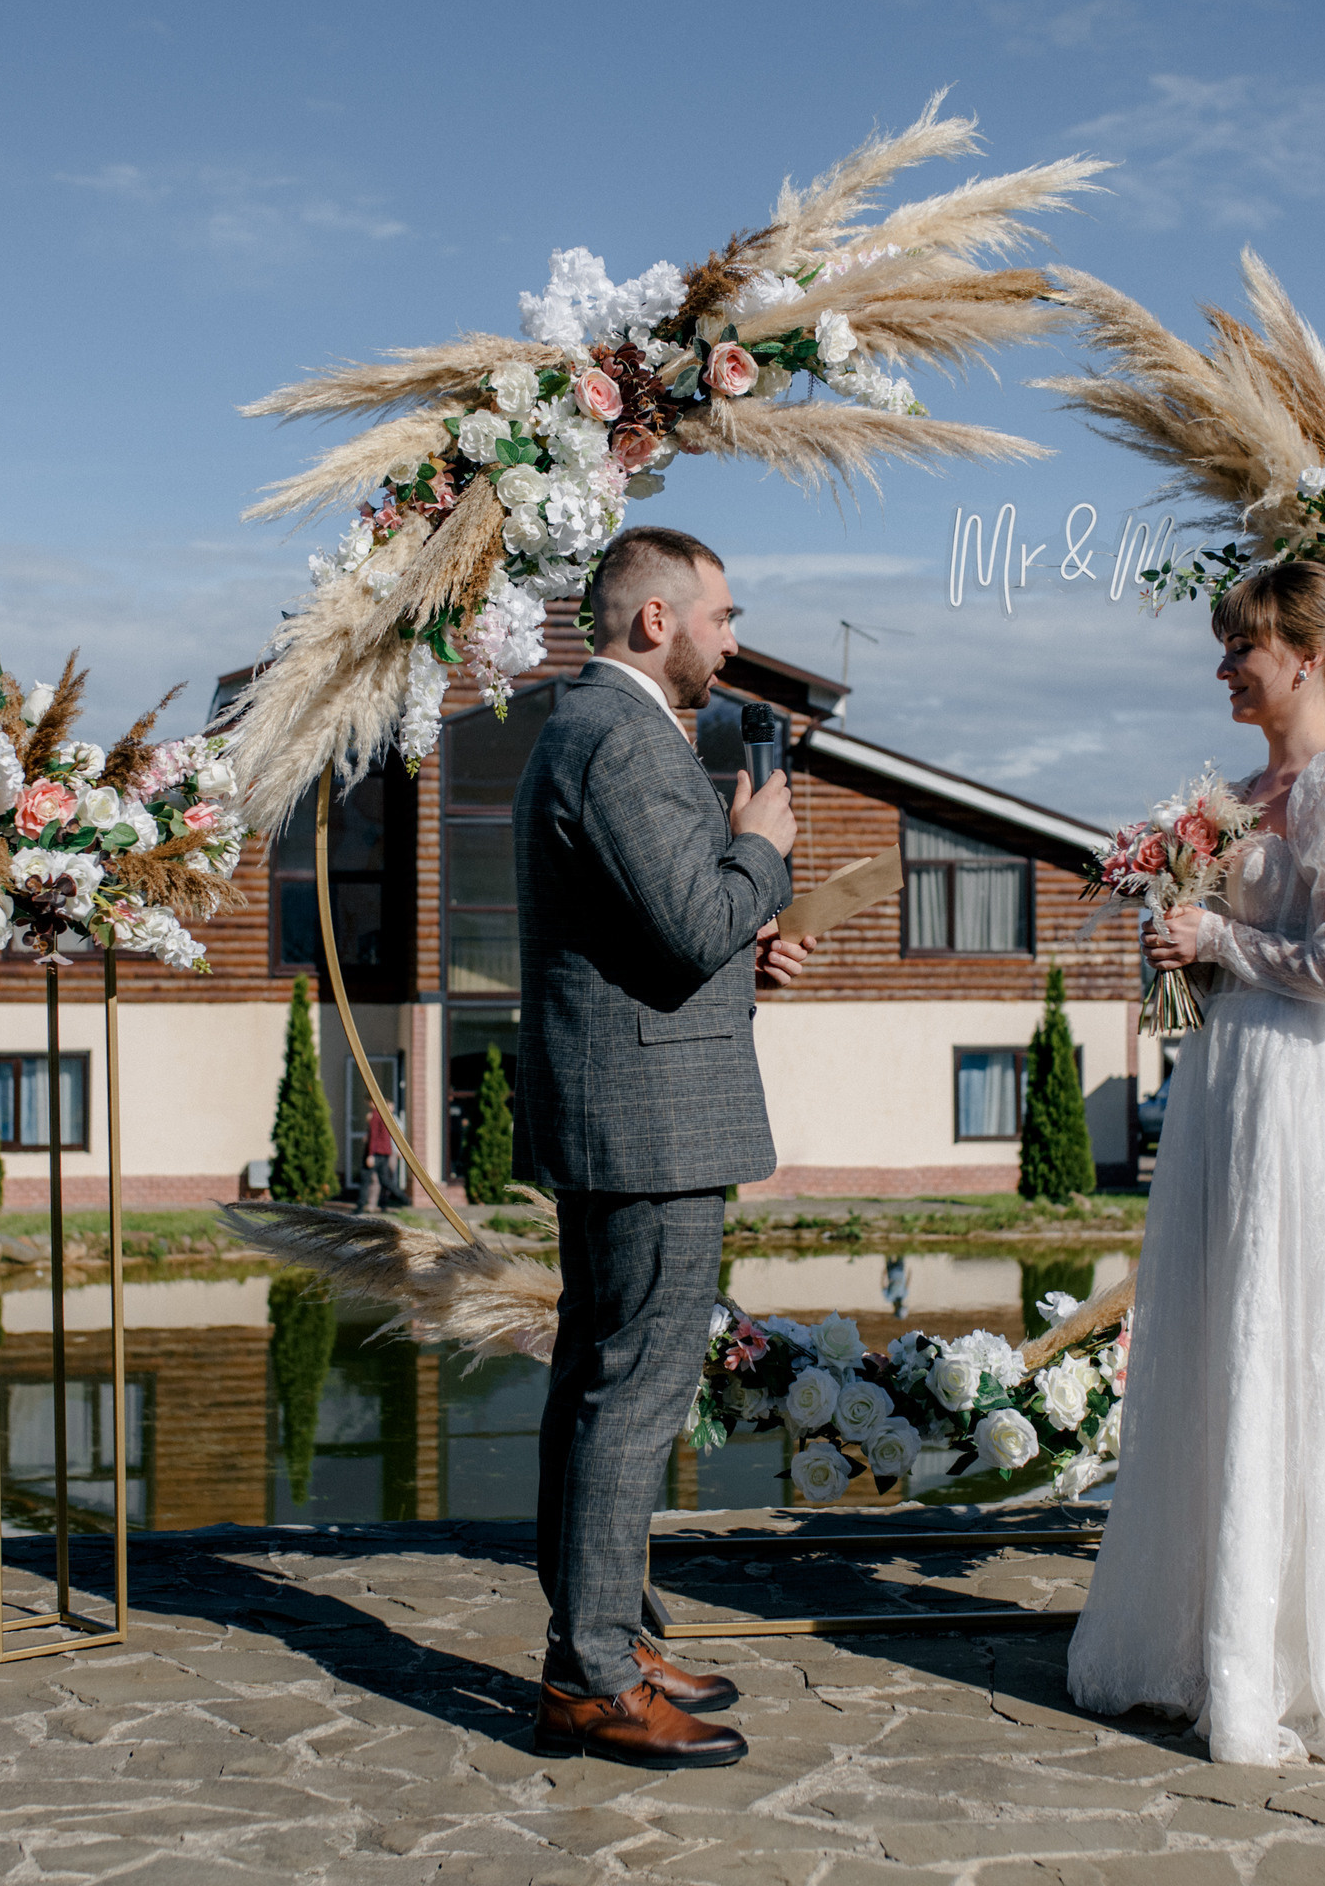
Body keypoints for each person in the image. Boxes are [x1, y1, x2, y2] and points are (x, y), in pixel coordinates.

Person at [1066, 559, 1325, 1770]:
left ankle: (1306, 1651)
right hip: (1230, 1087)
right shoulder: (1250, 791)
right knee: (1218, 1330)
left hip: (1303, 1091)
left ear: (1303, 653)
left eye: (1240, 647)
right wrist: (1190, 954)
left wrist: (1219, 937)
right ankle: (1214, 1632)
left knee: (1294, 1330)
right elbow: (1270, 945)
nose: (1222, 669)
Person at [517, 525, 816, 1771]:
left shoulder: (606, 732)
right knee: (632, 1393)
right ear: (656, 621)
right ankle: (591, 1677)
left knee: (604, 1382)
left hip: (633, 1100)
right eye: (723, 616)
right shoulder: (619, 736)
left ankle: (610, 1641)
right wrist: (763, 848)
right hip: (648, 1120)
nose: (734, 640)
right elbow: (694, 917)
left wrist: (753, 943)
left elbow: (662, 935)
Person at [359, 1103, 396, 1213]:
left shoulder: (377, 1116)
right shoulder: (380, 1116)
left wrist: (371, 1154)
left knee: (379, 1181)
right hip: (385, 1152)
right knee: (380, 1181)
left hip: (380, 1153)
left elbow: (375, 1137)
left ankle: (402, 1199)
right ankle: (373, 1204)